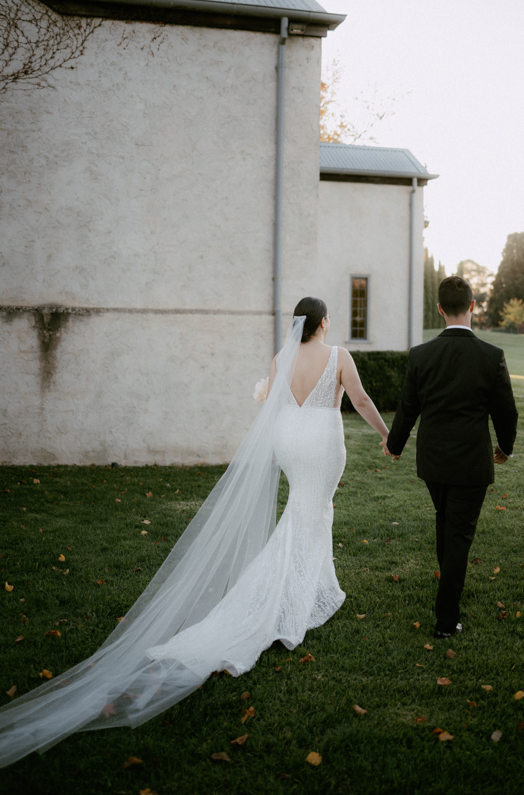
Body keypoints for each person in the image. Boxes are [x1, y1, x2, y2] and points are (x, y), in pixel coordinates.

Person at [0, 297, 389, 768]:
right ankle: (289, 599)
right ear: (324, 322)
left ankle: (315, 583)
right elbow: (362, 400)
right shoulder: (339, 355)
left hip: (290, 439)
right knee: (313, 512)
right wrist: (387, 434)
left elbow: (274, 400)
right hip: (322, 441)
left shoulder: (281, 358)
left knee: (308, 512)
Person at [383, 276, 518, 639]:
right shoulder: (491, 357)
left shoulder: (421, 355)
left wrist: (394, 445)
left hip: (433, 463)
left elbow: (407, 409)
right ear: (473, 306)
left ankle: (449, 588)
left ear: (440, 309)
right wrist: (505, 447)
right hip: (471, 463)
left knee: (447, 524)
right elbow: (507, 412)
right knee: (456, 535)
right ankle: (446, 620)